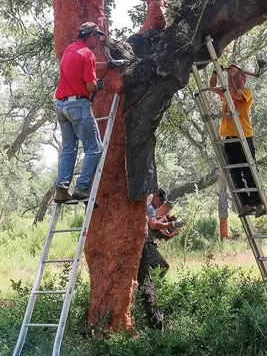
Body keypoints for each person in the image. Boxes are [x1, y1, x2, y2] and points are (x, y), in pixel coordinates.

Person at [53, 22, 127, 203]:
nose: (99, 40)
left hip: (61, 106)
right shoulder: (88, 54)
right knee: (94, 148)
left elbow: (92, 67)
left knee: (69, 150)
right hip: (78, 106)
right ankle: (82, 187)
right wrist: (98, 85)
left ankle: (61, 191)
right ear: (91, 36)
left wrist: (109, 64)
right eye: (98, 36)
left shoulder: (70, 50)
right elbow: (90, 85)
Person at [210, 65, 265, 217]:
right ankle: (245, 204)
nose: (244, 78)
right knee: (234, 171)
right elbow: (212, 87)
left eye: (242, 75)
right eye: (240, 75)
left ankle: (259, 203)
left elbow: (235, 94)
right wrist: (216, 72)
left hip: (243, 136)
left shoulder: (246, 91)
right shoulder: (227, 91)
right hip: (229, 138)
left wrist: (228, 75)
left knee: (248, 170)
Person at [138, 189, 185, 329]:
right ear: (156, 197)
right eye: (162, 201)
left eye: (164, 203)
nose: (162, 204)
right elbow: (153, 225)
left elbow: (160, 232)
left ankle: (149, 287)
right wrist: (172, 224)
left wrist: (172, 230)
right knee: (164, 266)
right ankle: (155, 287)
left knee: (148, 274)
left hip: (149, 244)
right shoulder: (150, 208)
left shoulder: (156, 212)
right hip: (146, 245)